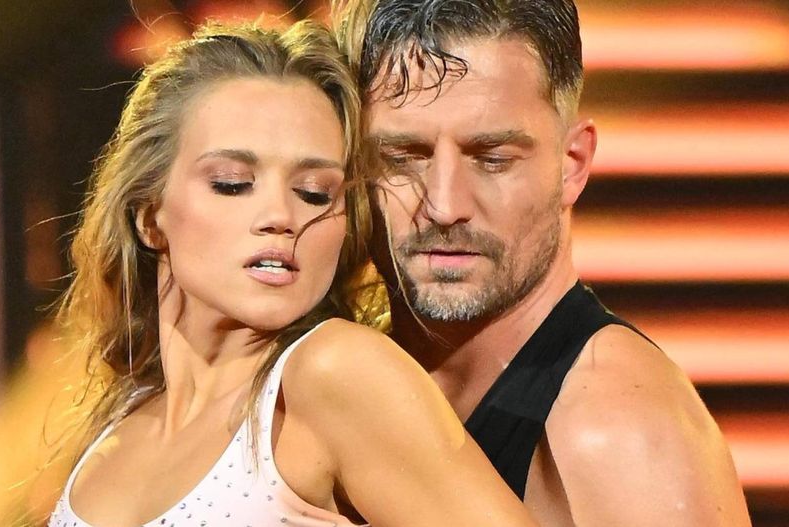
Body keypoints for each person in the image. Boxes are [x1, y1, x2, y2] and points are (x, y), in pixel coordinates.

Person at [48, 20, 537, 527]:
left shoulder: (335, 372)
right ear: (150, 216)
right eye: (232, 183)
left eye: (314, 193)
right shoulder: (121, 419)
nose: (282, 217)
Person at [334, 1, 752, 525]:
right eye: (403, 158)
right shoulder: (346, 378)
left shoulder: (620, 432)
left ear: (572, 165)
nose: (444, 205)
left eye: (492, 159)